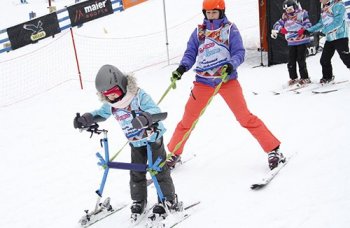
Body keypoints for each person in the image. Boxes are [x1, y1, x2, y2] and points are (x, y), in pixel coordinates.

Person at [166, 0, 284, 171]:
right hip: (203, 81)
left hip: (226, 81)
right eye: (208, 13)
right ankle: (174, 153)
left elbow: (239, 52)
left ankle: (273, 149)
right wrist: (182, 68)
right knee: (187, 120)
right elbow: (190, 53)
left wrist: (231, 64)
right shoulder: (199, 32)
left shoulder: (229, 30)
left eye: (214, 12)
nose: (211, 16)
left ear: (221, 12)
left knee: (245, 117)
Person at [73, 64, 180, 219]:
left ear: (122, 86)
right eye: (107, 95)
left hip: (152, 138)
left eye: (114, 93)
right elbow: (101, 114)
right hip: (135, 142)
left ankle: (168, 200)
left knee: (158, 170)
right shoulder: (111, 105)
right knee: (136, 172)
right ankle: (139, 200)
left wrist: (145, 118)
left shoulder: (138, 96)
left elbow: (155, 111)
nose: (112, 97)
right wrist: (87, 118)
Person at [303, 0, 350, 83]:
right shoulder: (324, 8)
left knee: (346, 58)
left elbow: (337, 22)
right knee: (324, 60)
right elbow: (321, 23)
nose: (320, 0)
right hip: (330, 39)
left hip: (341, 37)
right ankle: (327, 77)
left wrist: (324, 31)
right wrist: (309, 30)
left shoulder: (338, 5)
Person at [271, 0, 312, 86]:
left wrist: (303, 29)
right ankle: (293, 78)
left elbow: (308, 24)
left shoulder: (301, 13)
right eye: (286, 10)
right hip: (291, 42)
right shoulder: (285, 16)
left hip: (301, 40)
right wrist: (280, 29)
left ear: (294, 7)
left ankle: (305, 77)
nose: (288, 11)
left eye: (290, 9)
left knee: (301, 60)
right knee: (291, 61)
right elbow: (276, 25)